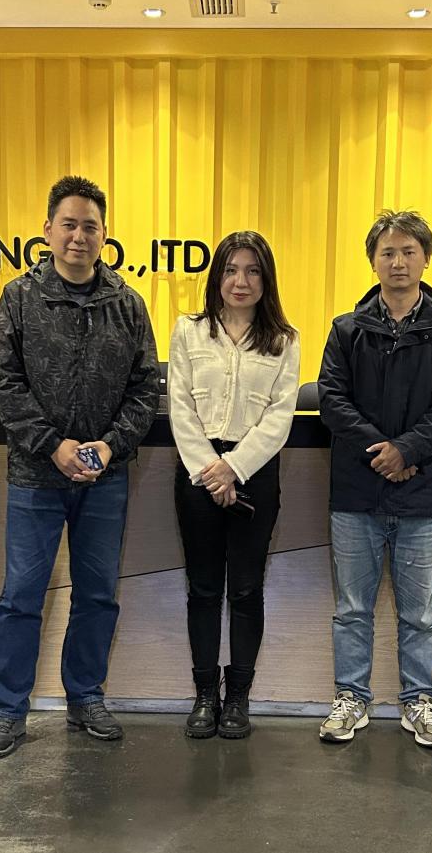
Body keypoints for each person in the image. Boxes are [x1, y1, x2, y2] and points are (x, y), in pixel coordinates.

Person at [0, 175, 159, 759]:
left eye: (90, 226)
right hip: (36, 476)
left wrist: (109, 446)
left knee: (98, 594)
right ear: (48, 230)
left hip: (104, 478)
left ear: (105, 234)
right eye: (69, 224)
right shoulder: (19, 298)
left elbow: (144, 389)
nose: (79, 236)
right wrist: (52, 445)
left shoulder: (127, 304)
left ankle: (85, 697)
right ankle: (9, 710)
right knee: (21, 596)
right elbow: (4, 381)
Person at [317, 210, 432, 749]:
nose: (399, 262)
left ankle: (420, 702)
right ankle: (350, 699)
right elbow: (332, 400)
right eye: (388, 252)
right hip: (356, 493)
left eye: (409, 251)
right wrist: (382, 453)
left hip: (423, 492)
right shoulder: (347, 329)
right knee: (351, 610)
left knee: (420, 614)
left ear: (426, 258)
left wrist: (405, 450)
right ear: (373, 261)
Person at [168, 231, 300, 740]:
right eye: (230, 269)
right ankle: (205, 694)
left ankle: (238, 697)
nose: (240, 281)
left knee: (246, 589)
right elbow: (180, 406)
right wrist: (211, 468)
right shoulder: (189, 331)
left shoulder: (284, 339)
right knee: (203, 588)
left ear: (266, 279)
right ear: (217, 276)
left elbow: (279, 418)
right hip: (198, 473)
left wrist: (234, 468)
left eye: (252, 270)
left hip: (254, 475)